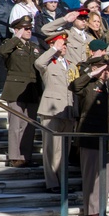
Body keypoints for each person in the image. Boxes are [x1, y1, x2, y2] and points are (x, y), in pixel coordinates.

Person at [71, 55, 109, 216]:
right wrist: (92, 74)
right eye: (102, 68)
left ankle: (102, 209)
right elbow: (74, 86)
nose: (106, 72)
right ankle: (91, 210)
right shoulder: (88, 84)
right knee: (91, 174)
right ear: (94, 68)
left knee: (105, 175)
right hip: (90, 135)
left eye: (107, 68)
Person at [35, 31, 77, 193]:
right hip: (51, 109)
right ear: (52, 44)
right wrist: (53, 49)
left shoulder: (70, 64)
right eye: (61, 43)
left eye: (65, 44)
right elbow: (39, 63)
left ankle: (63, 182)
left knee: (64, 150)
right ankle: (52, 182)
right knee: (51, 149)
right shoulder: (48, 62)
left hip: (68, 110)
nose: (64, 47)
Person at [0, 16, 43, 168]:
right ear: (17, 30)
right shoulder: (10, 44)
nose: (29, 31)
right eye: (25, 29)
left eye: (30, 29)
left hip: (31, 89)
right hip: (16, 89)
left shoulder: (33, 47)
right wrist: (16, 38)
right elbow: (2, 52)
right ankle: (14, 156)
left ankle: (26, 156)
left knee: (29, 125)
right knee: (15, 124)